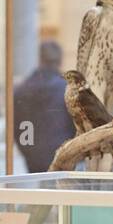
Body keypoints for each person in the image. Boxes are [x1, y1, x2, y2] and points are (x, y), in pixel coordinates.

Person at [14, 40, 75, 173]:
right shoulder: (68, 89)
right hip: (63, 154)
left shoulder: (22, 88)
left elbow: (18, 128)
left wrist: (28, 151)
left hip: (33, 158)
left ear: (39, 59)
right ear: (60, 60)